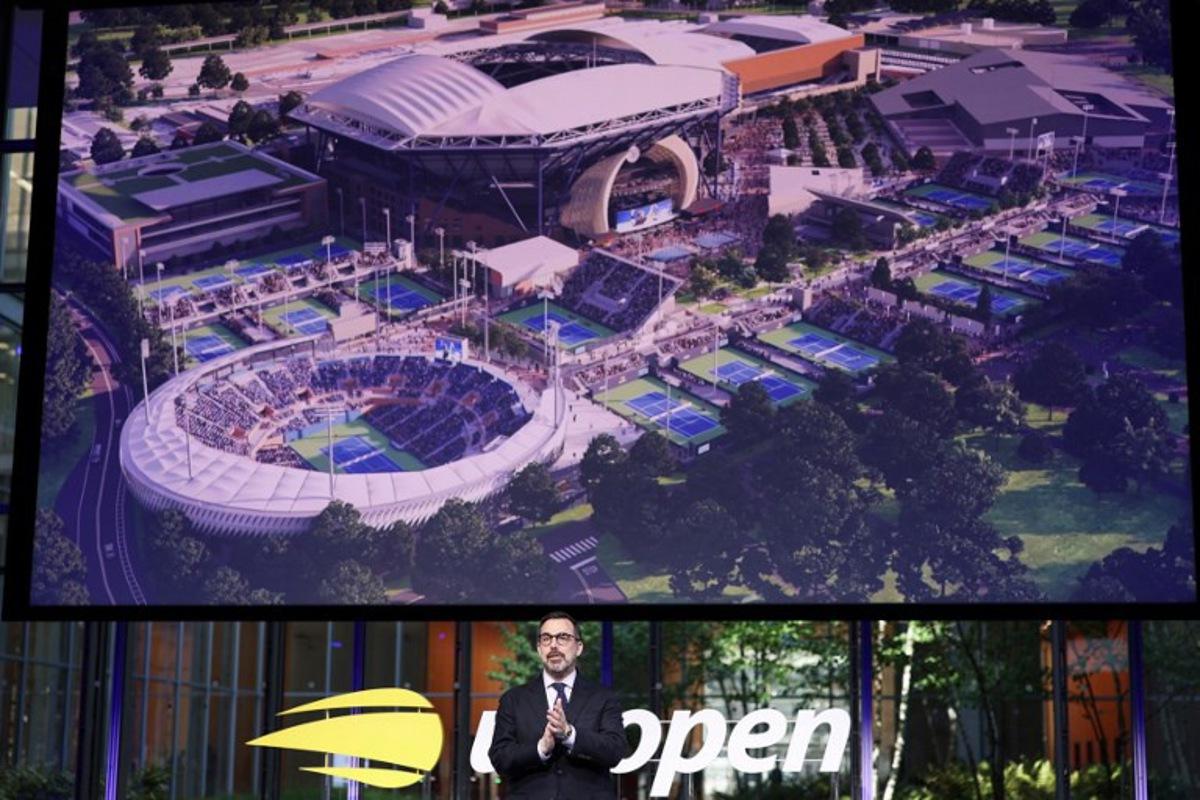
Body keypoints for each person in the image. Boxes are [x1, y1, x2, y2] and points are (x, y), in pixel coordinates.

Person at [488, 611, 628, 799]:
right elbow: (500, 758)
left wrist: (570, 734)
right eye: (546, 639)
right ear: (539, 649)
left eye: (563, 637)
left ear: (578, 647)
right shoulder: (513, 699)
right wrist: (541, 748)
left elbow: (615, 751)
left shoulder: (603, 697)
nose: (553, 645)